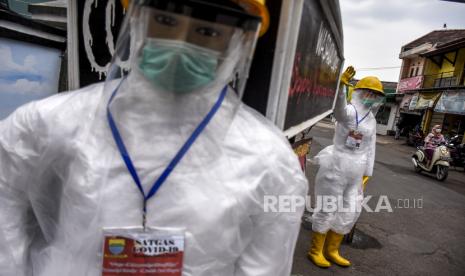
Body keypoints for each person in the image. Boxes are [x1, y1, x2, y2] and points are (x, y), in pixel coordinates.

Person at [0, 0, 307, 275]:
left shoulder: (269, 161)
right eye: (167, 22)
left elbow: (265, 265)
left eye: (207, 32)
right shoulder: (47, 123)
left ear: (236, 43)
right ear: (137, 20)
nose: (180, 45)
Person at [308, 67, 385, 268]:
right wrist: (341, 86)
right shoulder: (349, 111)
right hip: (336, 166)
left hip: (356, 171)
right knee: (328, 207)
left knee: (349, 210)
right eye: (368, 93)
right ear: (359, 92)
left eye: (375, 95)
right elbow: (338, 110)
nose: (371, 97)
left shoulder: (372, 120)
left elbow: (370, 148)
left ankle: (332, 250)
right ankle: (316, 250)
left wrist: (367, 173)